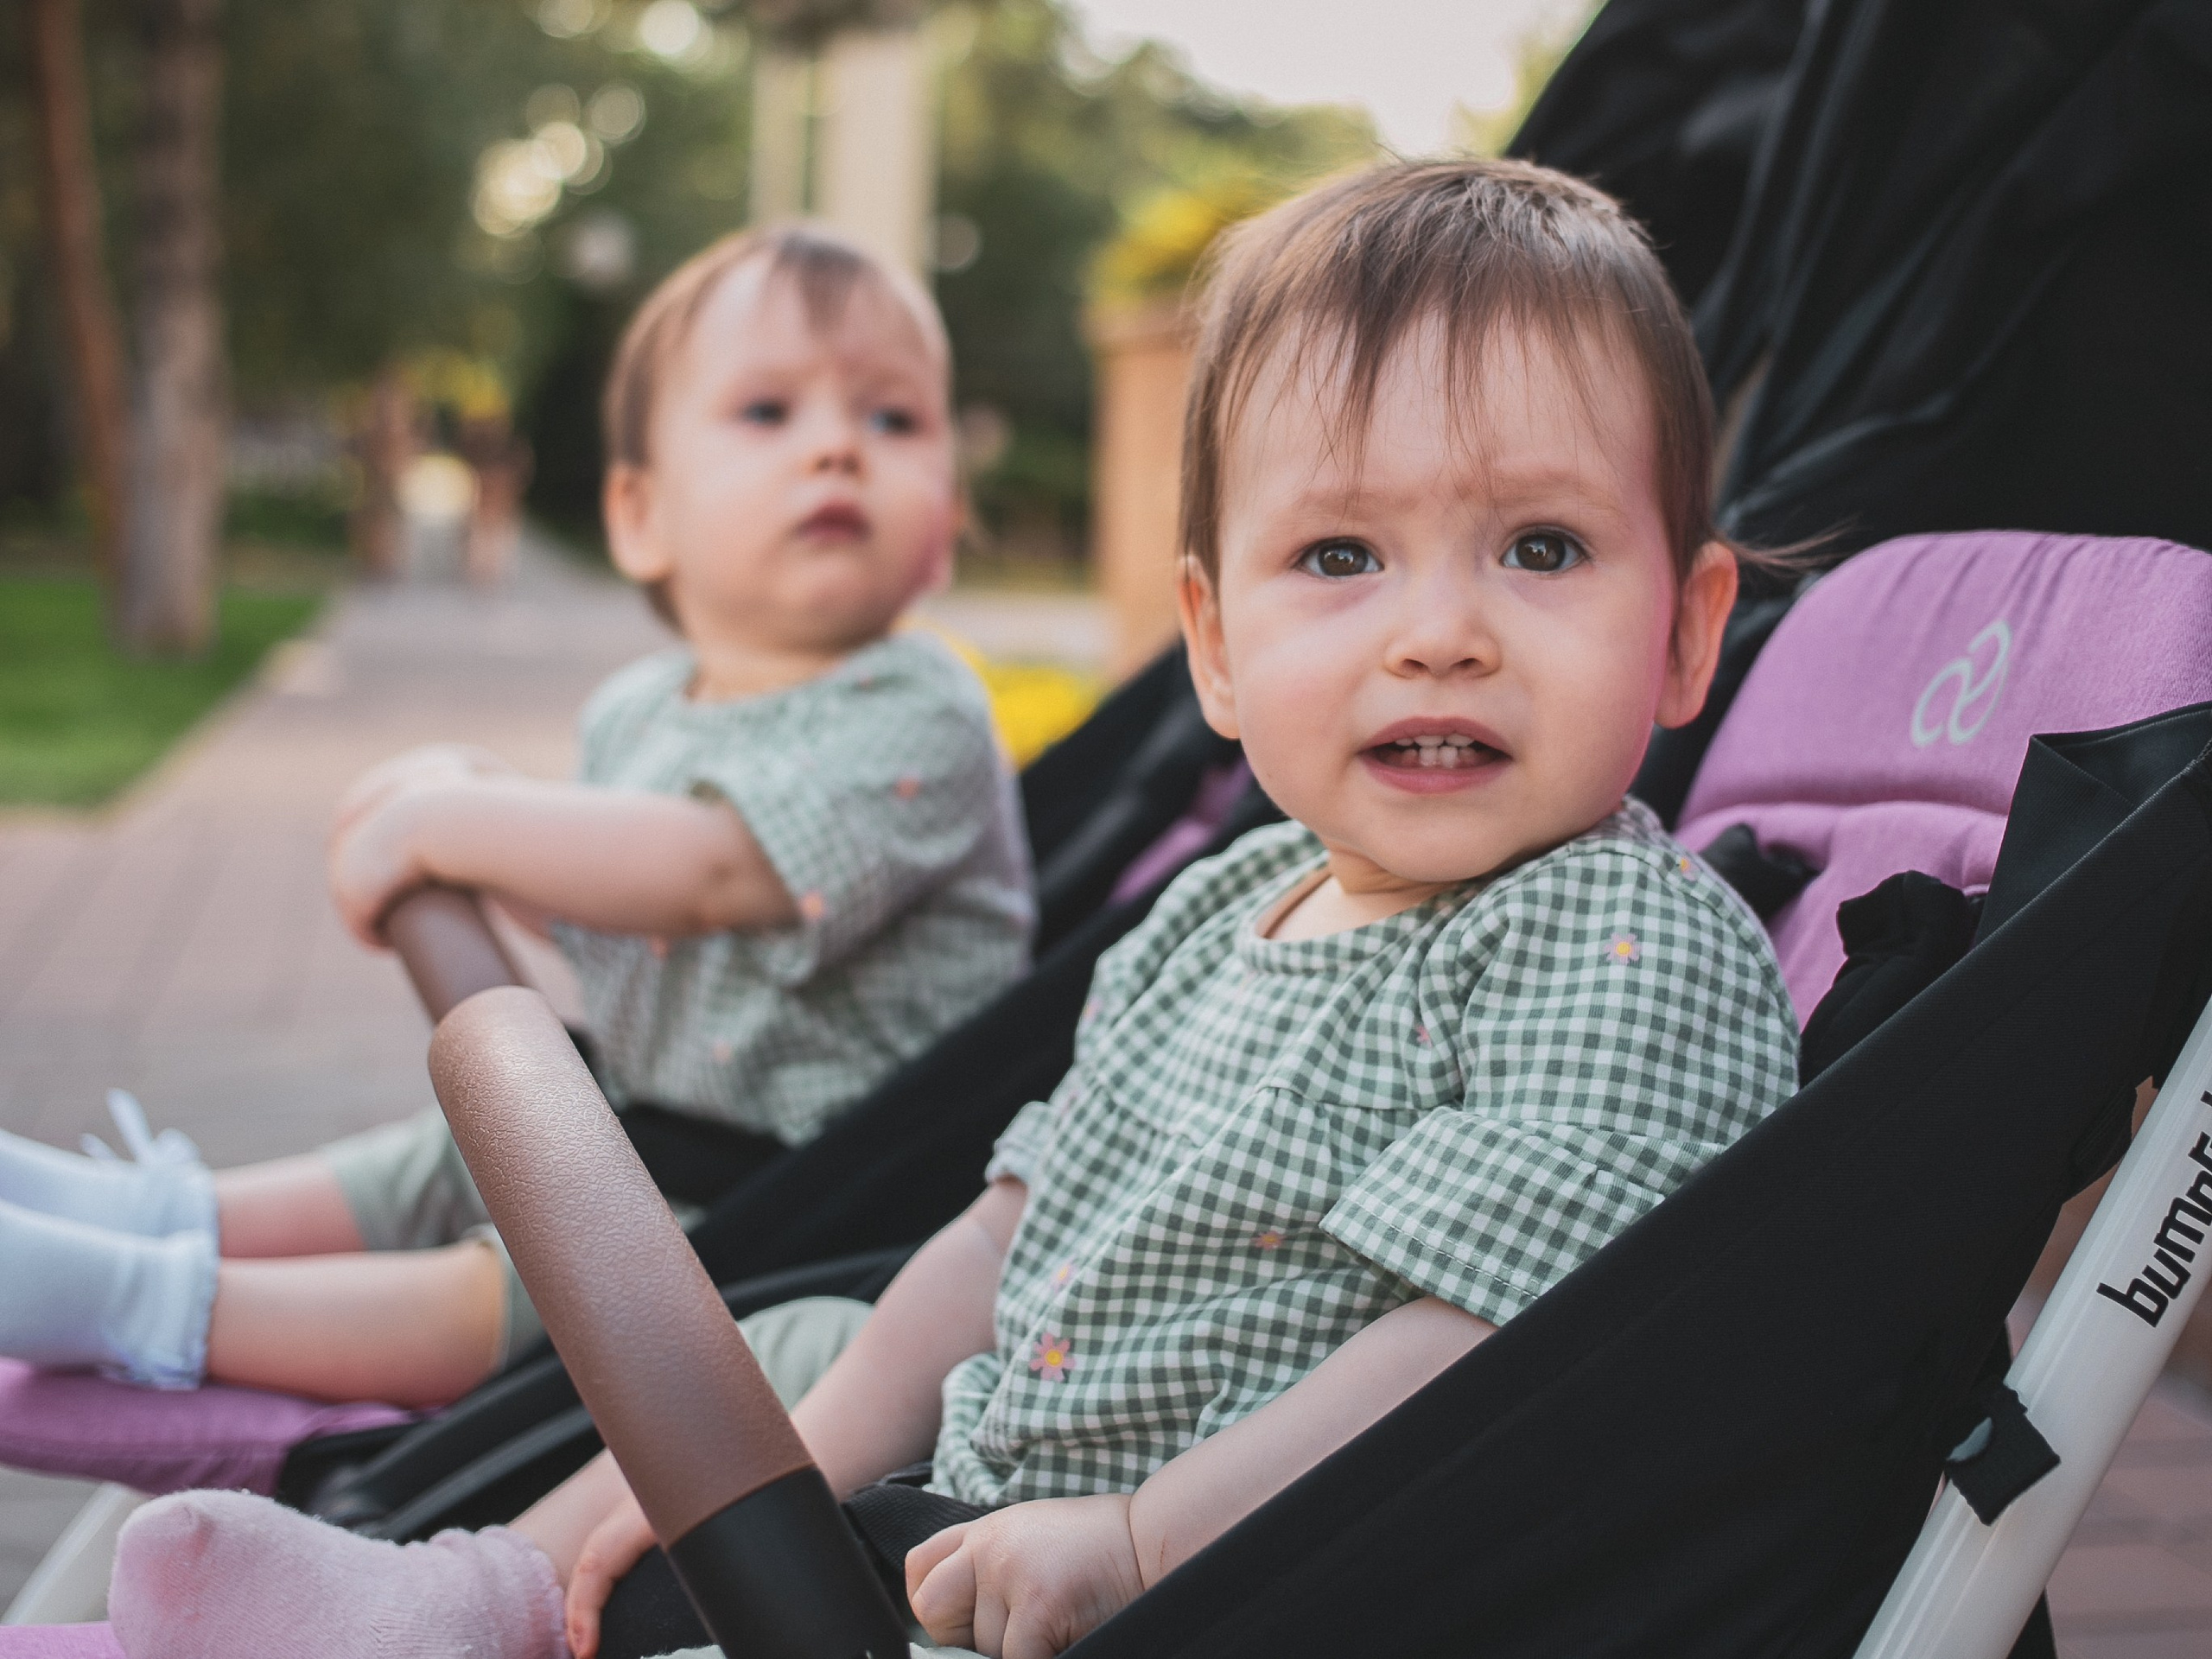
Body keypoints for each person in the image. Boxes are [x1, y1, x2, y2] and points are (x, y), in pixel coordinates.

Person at [101, 156, 1802, 1659]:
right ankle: (471, 1599)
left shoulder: (1612, 946)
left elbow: (1484, 1356)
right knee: (795, 1340)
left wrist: (1141, 1542)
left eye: (1542, 550)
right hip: (1007, 1485)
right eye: (1342, 559)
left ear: (1683, 630)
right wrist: (804, 1460)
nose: (1439, 631)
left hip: (1230, 1576)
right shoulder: (1222, 906)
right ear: (1211, 645)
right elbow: (1009, 1226)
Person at [0, 226, 1033, 1408]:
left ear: (946, 524)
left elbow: (707, 875)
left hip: (801, 1205)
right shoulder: (644, 706)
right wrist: (483, 804)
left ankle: (141, 1304)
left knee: (533, 1289)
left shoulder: (922, 707)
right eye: (769, 412)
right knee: (450, 1156)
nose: (840, 448)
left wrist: (455, 823)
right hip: (660, 1139)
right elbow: (619, 904)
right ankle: (147, 1212)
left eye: (894, 420)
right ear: (642, 516)